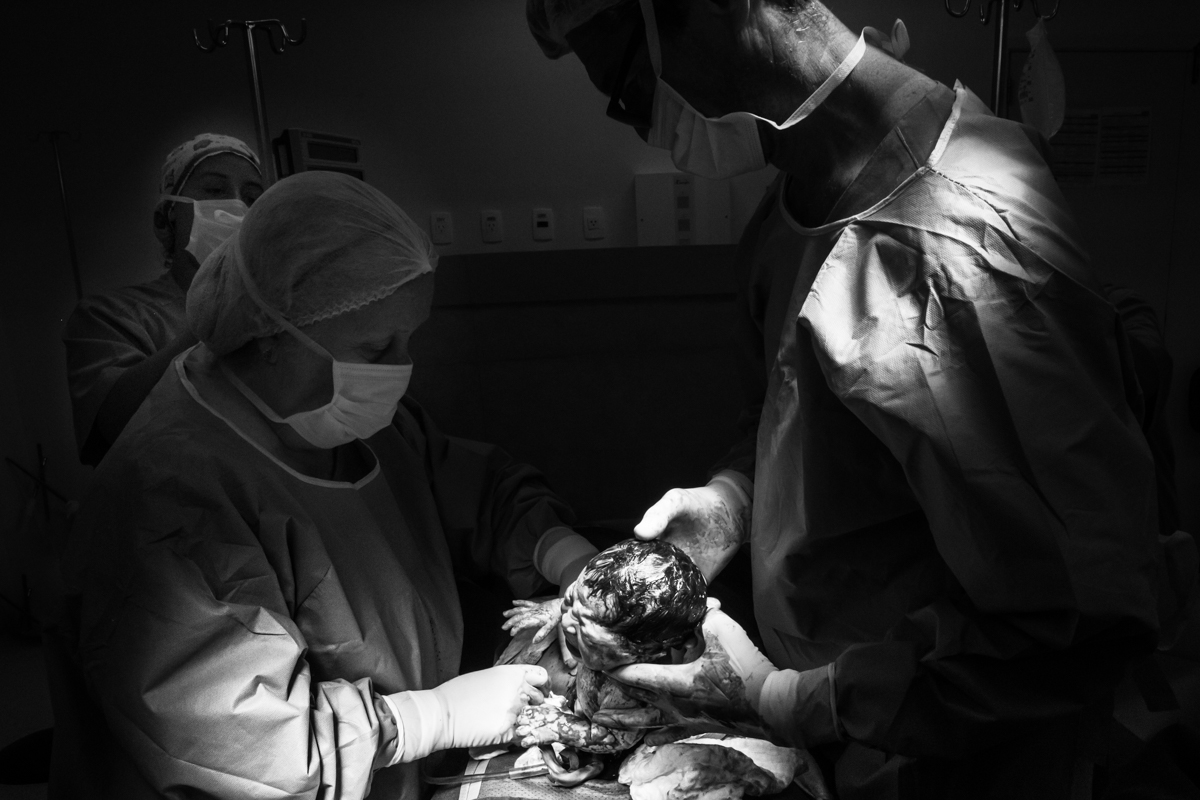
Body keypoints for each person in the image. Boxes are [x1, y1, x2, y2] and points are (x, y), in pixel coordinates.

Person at [525, 1, 1186, 797]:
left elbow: (1076, 620)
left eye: (628, 87)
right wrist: (734, 500)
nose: (635, 123)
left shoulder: (961, 248)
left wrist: (797, 700)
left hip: (954, 758)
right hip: (852, 739)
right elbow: (807, 416)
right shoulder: (801, 202)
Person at [47, 171, 602, 800]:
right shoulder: (168, 500)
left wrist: (569, 558)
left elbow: (481, 491)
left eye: (409, 338)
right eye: (377, 345)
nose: (400, 367)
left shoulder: (355, 420)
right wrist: (429, 719)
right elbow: (249, 749)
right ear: (271, 335)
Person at [63, 133, 264, 466]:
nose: (239, 208)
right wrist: (212, 315)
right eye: (215, 190)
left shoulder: (275, 312)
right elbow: (110, 430)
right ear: (165, 220)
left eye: (253, 197)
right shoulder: (111, 315)